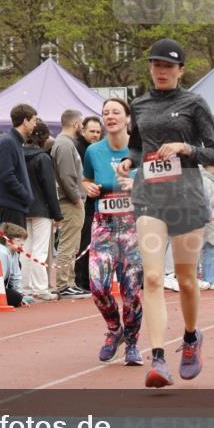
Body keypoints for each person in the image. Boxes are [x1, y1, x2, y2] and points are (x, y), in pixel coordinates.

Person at [118, 38, 214, 388]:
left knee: (186, 280)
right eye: (156, 65)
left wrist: (185, 147)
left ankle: (191, 337)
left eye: (168, 66)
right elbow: (137, 147)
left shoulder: (194, 103)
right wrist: (129, 161)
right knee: (151, 277)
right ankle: (159, 359)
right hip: (150, 197)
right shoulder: (139, 104)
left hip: (187, 199)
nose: (161, 71)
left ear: (181, 70)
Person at [84, 98, 143, 365]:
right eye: (105, 112)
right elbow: (86, 178)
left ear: (127, 118)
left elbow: (160, 183)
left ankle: (131, 343)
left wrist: (136, 185)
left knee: (131, 291)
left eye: (116, 112)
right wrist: (87, 187)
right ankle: (114, 329)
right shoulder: (93, 151)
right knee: (97, 286)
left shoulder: (141, 149)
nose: (110, 116)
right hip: (104, 225)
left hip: (133, 225)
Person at [22, 120, 62, 302]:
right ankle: (40, 288)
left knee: (26, 249)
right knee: (40, 249)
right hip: (41, 208)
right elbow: (50, 189)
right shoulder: (43, 158)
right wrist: (57, 214)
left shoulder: (18, 155)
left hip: (24, 207)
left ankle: (25, 287)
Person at [51, 110, 87, 298]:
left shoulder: (64, 143)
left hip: (70, 200)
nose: (82, 126)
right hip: (69, 201)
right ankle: (64, 284)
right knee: (68, 244)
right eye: (81, 123)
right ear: (75, 124)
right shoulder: (64, 144)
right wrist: (76, 198)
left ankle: (69, 283)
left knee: (72, 245)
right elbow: (66, 176)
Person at [0, 104, 37, 228]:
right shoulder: (8, 142)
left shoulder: (14, 141)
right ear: (25, 121)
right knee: (13, 241)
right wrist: (26, 196)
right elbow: (6, 175)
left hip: (16, 206)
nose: (35, 125)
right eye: (34, 120)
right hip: (12, 206)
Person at [74, 116, 102, 295]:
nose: (95, 135)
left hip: (95, 201)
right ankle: (81, 280)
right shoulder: (79, 148)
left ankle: (88, 280)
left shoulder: (96, 149)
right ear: (83, 130)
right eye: (92, 131)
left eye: (98, 132)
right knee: (85, 242)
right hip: (83, 202)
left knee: (93, 243)